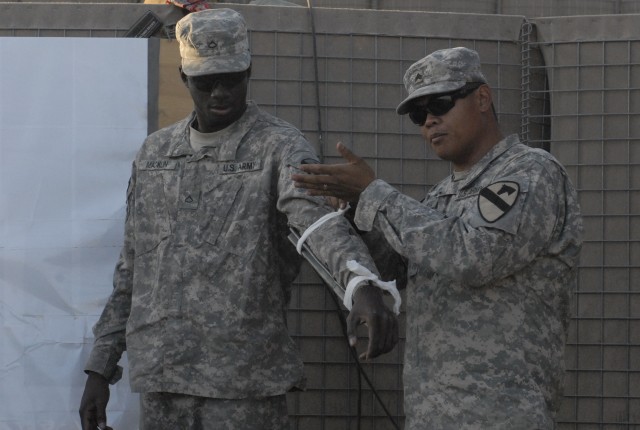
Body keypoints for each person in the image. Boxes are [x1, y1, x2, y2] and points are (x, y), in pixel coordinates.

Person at [78, 8, 398, 430]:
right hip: (164, 381)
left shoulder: (278, 146)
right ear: (184, 78)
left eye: (232, 78)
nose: (220, 92)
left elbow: (314, 220)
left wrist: (360, 282)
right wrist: (100, 367)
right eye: (206, 81)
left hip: (243, 385)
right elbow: (133, 267)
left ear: (249, 70)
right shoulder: (155, 155)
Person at [292, 47, 584, 429]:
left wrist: (374, 195)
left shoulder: (531, 173)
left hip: (501, 416)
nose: (429, 121)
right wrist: (357, 212)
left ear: (482, 98)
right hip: (433, 414)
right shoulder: (442, 195)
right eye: (419, 114)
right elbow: (399, 270)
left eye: (441, 104)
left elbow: (473, 257)